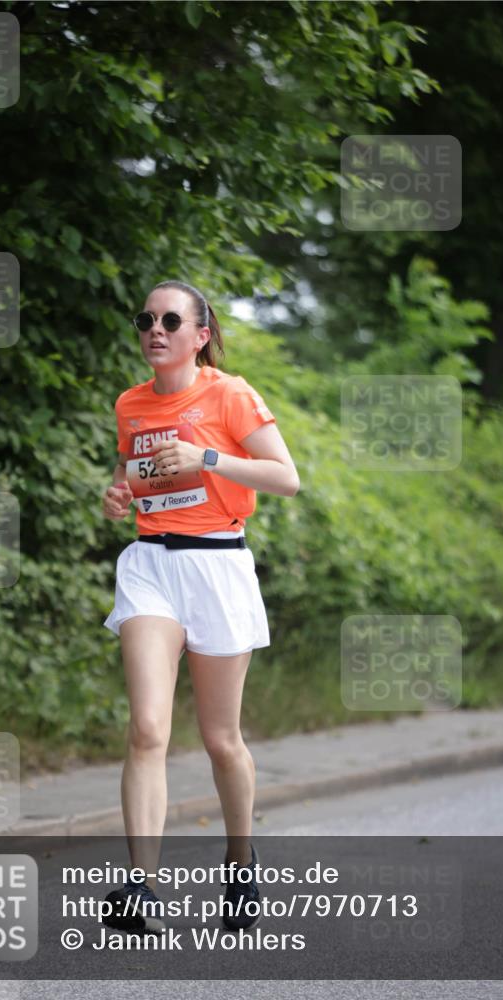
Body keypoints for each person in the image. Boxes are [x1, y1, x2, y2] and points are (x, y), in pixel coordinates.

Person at [100, 279, 299, 934]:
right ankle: (141, 887)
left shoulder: (229, 393)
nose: (154, 329)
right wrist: (119, 494)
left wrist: (209, 456)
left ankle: (239, 862)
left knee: (219, 740)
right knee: (148, 729)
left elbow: (284, 479)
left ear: (199, 334)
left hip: (217, 567)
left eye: (169, 320)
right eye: (145, 320)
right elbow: (140, 477)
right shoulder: (130, 403)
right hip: (152, 567)